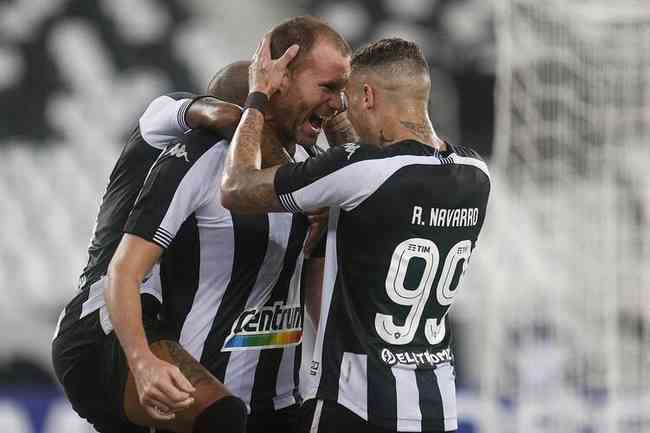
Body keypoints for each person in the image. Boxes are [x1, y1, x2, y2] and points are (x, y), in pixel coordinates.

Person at [220, 37, 491, 433]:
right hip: (437, 405)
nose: (339, 110)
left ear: (367, 96)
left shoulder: (362, 170)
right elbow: (376, 191)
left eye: (344, 101)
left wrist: (258, 96)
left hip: (359, 405)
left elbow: (236, 187)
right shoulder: (475, 173)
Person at [103, 16, 351, 433]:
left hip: (281, 399)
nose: (336, 102)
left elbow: (314, 281)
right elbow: (125, 271)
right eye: (327, 88)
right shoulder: (201, 159)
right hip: (205, 400)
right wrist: (143, 362)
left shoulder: (308, 168)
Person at [51, 67, 249, 433]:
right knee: (220, 416)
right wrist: (259, 113)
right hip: (101, 317)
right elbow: (222, 116)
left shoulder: (224, 174)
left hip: (154, 321)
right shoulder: (168, 118)